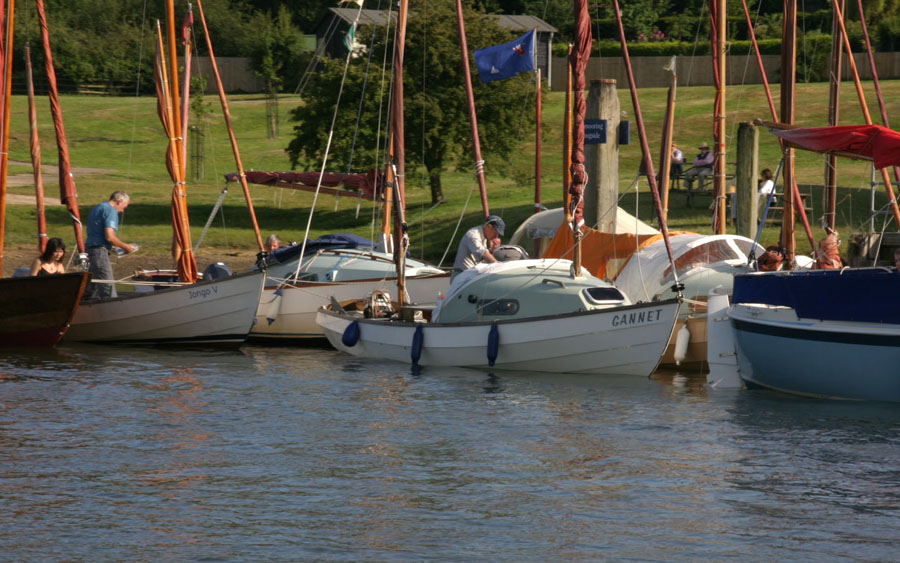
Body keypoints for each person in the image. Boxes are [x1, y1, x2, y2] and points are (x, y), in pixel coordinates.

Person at [83, 191, 135, 301]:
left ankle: (84, 305)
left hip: (91, 250)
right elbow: (109, 237)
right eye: (124, 207)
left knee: (93, 287)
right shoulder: (111, 211)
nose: (122, 210)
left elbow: (98, 232)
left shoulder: (98, 208)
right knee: (108, 287)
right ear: (119, 201)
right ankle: (112, 307)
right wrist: (126, 247)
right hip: (99, 253)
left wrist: (112, 247)